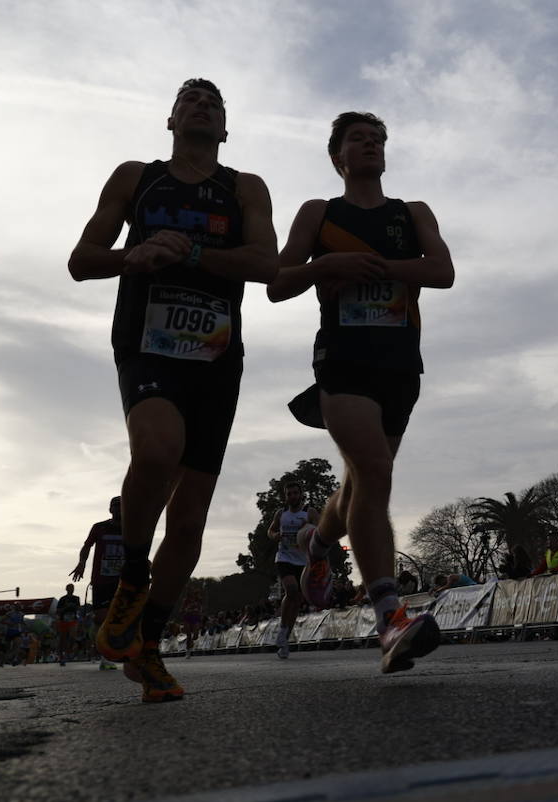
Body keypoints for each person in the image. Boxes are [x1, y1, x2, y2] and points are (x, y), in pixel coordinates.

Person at [67, 79, 277, 702]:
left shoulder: (245, 187)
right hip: (146, 342)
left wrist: (188, 258)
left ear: (226, 127)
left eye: (214, 101)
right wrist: (138, 254)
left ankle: (147, 648)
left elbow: (267, 265)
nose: (203, 104)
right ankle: (134, 576)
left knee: (188, 524)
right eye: (190, 97)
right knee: (157, 450)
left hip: (216, 355)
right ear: (170, 119)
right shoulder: (137, 177)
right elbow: (82, 258)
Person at [268, 112, 455, 674]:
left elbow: (442, 271)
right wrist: (327, 264)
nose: (370, 144)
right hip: (342, 361)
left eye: (378, 139)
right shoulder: (320, 213)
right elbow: (278, 282)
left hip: (400, 363)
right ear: (338, 157)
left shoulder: (412, 213)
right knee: (374, 472)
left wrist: (381, 268)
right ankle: (390, 619)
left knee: (359, 484)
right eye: (359, 139)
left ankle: (318, 548)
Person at [267, 480, 320, 660]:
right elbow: (270, 531)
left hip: (303, 560)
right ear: (285, 496)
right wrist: (275, 535)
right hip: (284, 558)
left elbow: (321, 531)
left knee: (297, 600)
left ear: (301, 494)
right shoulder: (281, 514)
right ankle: (283, 627)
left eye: (295, 493)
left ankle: (284, 638)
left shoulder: (309, 512)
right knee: (291, 589)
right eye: (289, 494)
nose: (292, 496)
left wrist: (309, 531)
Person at [71, 497, 126, 672]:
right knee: (101, 619)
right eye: (115, 506)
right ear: (110, 510)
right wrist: (81, 563)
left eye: (121, 506)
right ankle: (104, 656)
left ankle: (125, 652)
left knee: (122, 617)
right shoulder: (99, 527)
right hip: (102, 579)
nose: (118, 509)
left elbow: (140, 547)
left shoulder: (132, 526)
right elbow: (87, 546)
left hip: (124, 580)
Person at [54, 584, 81, 666]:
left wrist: (74, 607)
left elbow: (78, 608)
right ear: (66, 589)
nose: (71, 589)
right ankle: (61, 655)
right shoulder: (62, 599)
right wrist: (65, 608)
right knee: (63, 638)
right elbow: (57, 610)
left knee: (72, 636)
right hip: (64, 620)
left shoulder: (76, 598)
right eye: (70, 588)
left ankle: (68, 652)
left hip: (73, 620)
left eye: (72, 588)